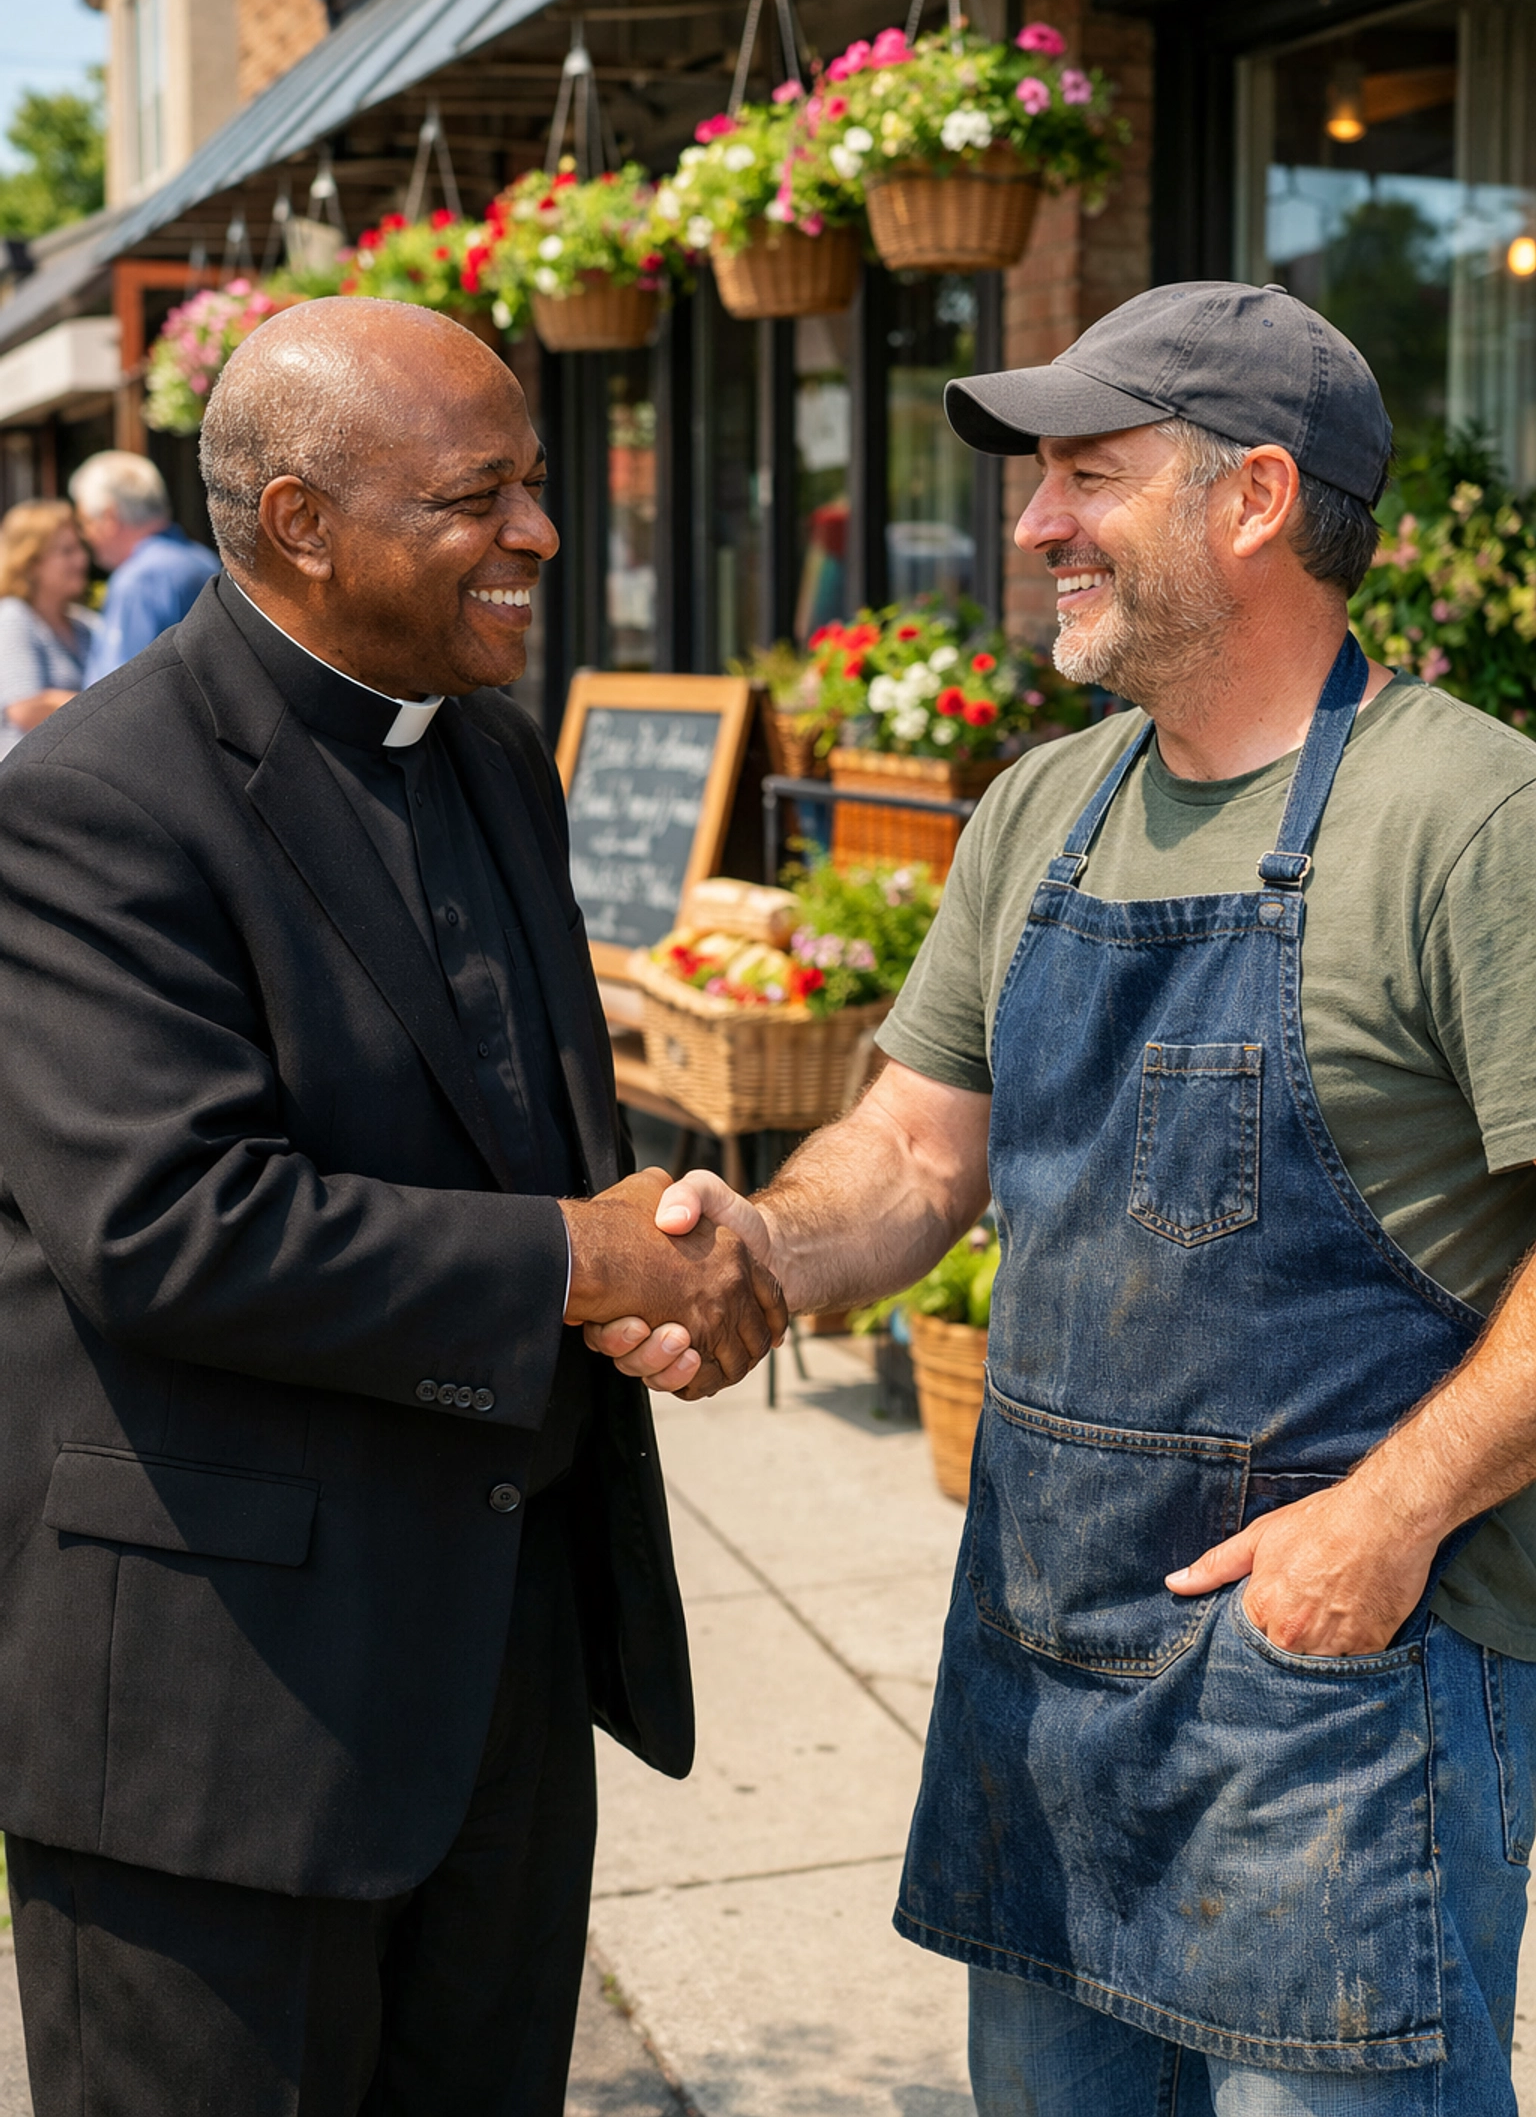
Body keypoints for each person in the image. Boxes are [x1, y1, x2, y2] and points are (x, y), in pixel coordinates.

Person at [596, 282, 1536, 2113]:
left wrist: (1383, 1523)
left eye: (1085, 477)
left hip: (1344, 1697)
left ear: (1254, 498)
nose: (1030, 527)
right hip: (1049, 1677)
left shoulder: (1468, 818)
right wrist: (769, 1249)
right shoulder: (1041, 808)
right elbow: (918, 1149)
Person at [0, 297, 784, 2117]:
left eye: (533, 482)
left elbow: (529, 1138)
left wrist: (641, 1272)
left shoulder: (496, 750)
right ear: (298, 523)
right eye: (480, 493)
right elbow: (172, 1225)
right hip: (219, 1725)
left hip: (494, 1667)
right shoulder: (88, 805)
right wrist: (570, 1257)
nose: (540, 531)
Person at [70, 447, 218, 682]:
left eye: (85, 522)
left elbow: (115, 692)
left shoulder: (138, 580)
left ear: (109, 517)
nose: (85, 535)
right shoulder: (204, 560)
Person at [0, 500, 94, 756]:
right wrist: (106, 705)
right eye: (67, 551)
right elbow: (25, 709)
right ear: (30, 562)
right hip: (25, 783)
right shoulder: (13, 617)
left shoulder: (86, 624)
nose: (82, 560)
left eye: (80, 548)